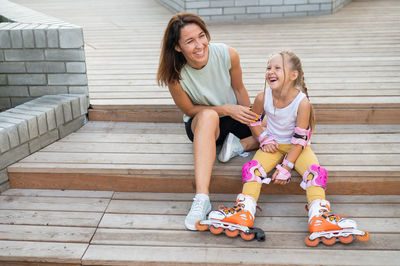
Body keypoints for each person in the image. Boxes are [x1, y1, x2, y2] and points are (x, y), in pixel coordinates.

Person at [205, 51, 370, 245]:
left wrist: (287, 167)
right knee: (252, 169)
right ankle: (244, 212)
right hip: (272, 147)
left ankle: (319, 217)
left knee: (315, 173)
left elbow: (300, 139)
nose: (270, 72)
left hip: (296, 147)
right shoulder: (262, 97)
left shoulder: (302, 103)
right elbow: (254, 119)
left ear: (293, 75)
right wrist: (263, 137)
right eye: (268, 68)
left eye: (277, 68)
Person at [156, 13, 260, 230]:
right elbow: (190, 110)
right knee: (209, 115)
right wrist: (223, 109)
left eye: (201, 36)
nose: (199, 45)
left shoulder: (227, 54)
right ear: (177, 47)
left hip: (234, 118)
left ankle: (240, 145)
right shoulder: (175, 75)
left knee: (282, 118)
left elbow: (240, 89)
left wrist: (255, 125)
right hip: (202, 124)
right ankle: (202, 199)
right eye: (190, 41)